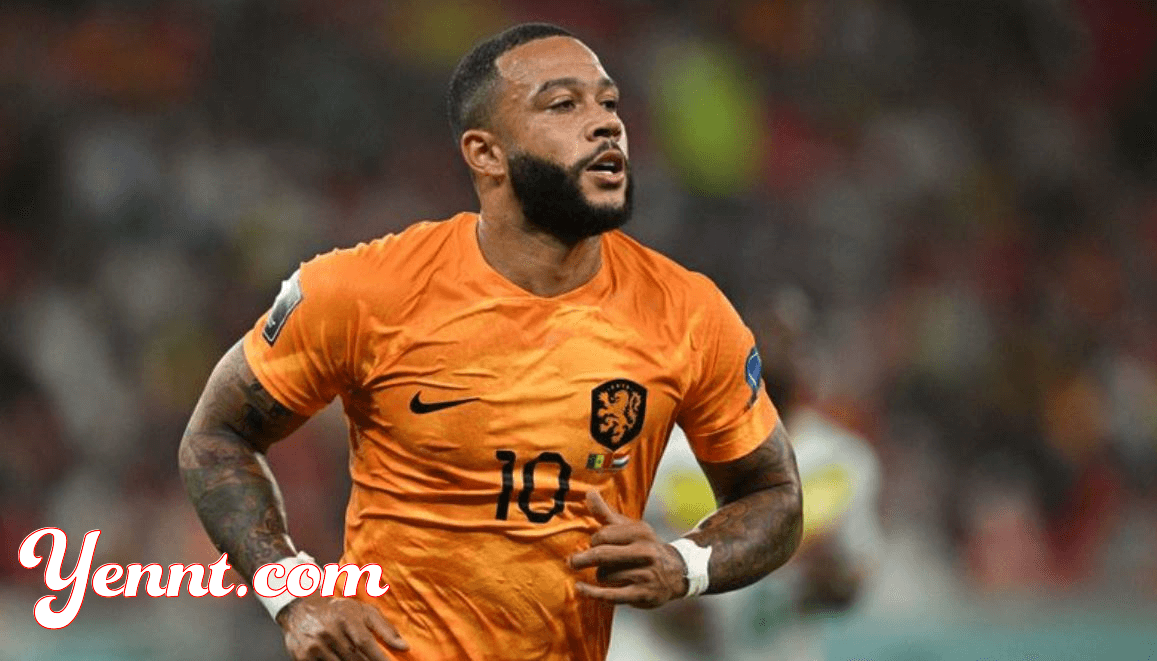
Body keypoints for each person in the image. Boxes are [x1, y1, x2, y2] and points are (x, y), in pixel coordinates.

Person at [179, 22, 802, 661]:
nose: (606, 125)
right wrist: (291, 594)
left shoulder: (688, 312)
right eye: (564, 105)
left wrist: (685, 564)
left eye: (609, 102)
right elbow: (217, 436)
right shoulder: (363, 290)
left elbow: (773, 493)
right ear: (486, 153)